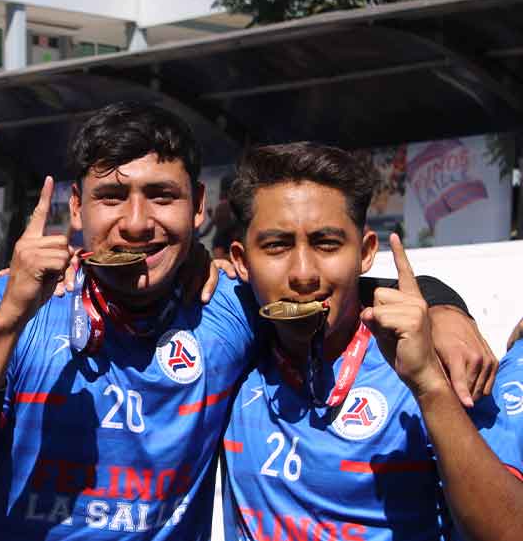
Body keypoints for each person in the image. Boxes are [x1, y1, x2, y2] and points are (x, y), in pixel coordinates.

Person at [0, 103, 490, 540]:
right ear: (76, 209)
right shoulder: (6, 306)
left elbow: (318, 287)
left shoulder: (227, 309)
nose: (138, 223)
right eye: (111, 197)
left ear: (199, 207)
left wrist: (443, 309)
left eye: (162, 195)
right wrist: (9, 322)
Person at [221, 142, 522, 541]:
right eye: (277, 245)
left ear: (364, 253)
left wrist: (429, 385)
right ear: (242, 261)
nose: (303, 273)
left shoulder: (440, 363)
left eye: (327, 243)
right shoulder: (226, 345)